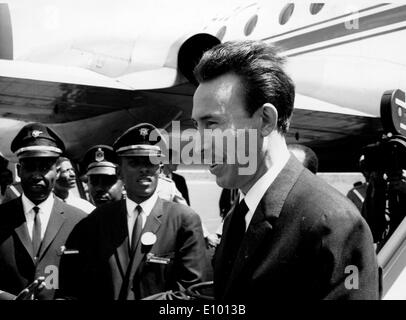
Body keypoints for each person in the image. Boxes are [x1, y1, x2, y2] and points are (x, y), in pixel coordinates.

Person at [192, 40, 379, 300]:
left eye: (211, 124)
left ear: (265, 121)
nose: (199, 145)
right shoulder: (240, 214)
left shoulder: (332, 224)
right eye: (197, 126)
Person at [59, 123, 207, 300]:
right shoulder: (97, 220)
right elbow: (77, 284)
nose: (144, 169)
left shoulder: (183, 220)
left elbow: (193, 291)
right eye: (134, 162)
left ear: (160, 169)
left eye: (151, 162)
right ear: (119, 172)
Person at [0, 123, 86, 299]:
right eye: (30, 166)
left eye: (45, 167)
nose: (37, 175)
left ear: (56, 170)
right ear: (18, 170)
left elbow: (89, 280)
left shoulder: (80, 221)